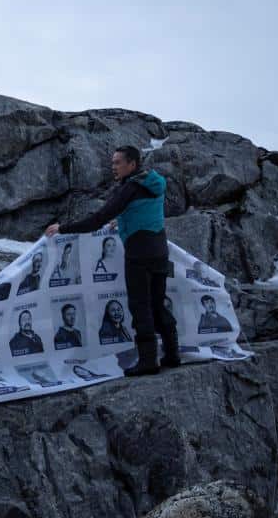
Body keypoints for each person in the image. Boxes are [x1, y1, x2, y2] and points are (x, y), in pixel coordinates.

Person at [46, 146, 180, 376]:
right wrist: (124, 219)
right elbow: (146, 209)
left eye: (118, 163)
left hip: (139, 255)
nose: (113, 167)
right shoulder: (154, 182)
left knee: (140, 307)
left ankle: (149, 361)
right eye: (113, 163)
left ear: (132, 164)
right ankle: (172, 354)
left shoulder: (130, 188)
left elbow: (97, 219)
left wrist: (63, 228)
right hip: (159, 252)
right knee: (158, 304)